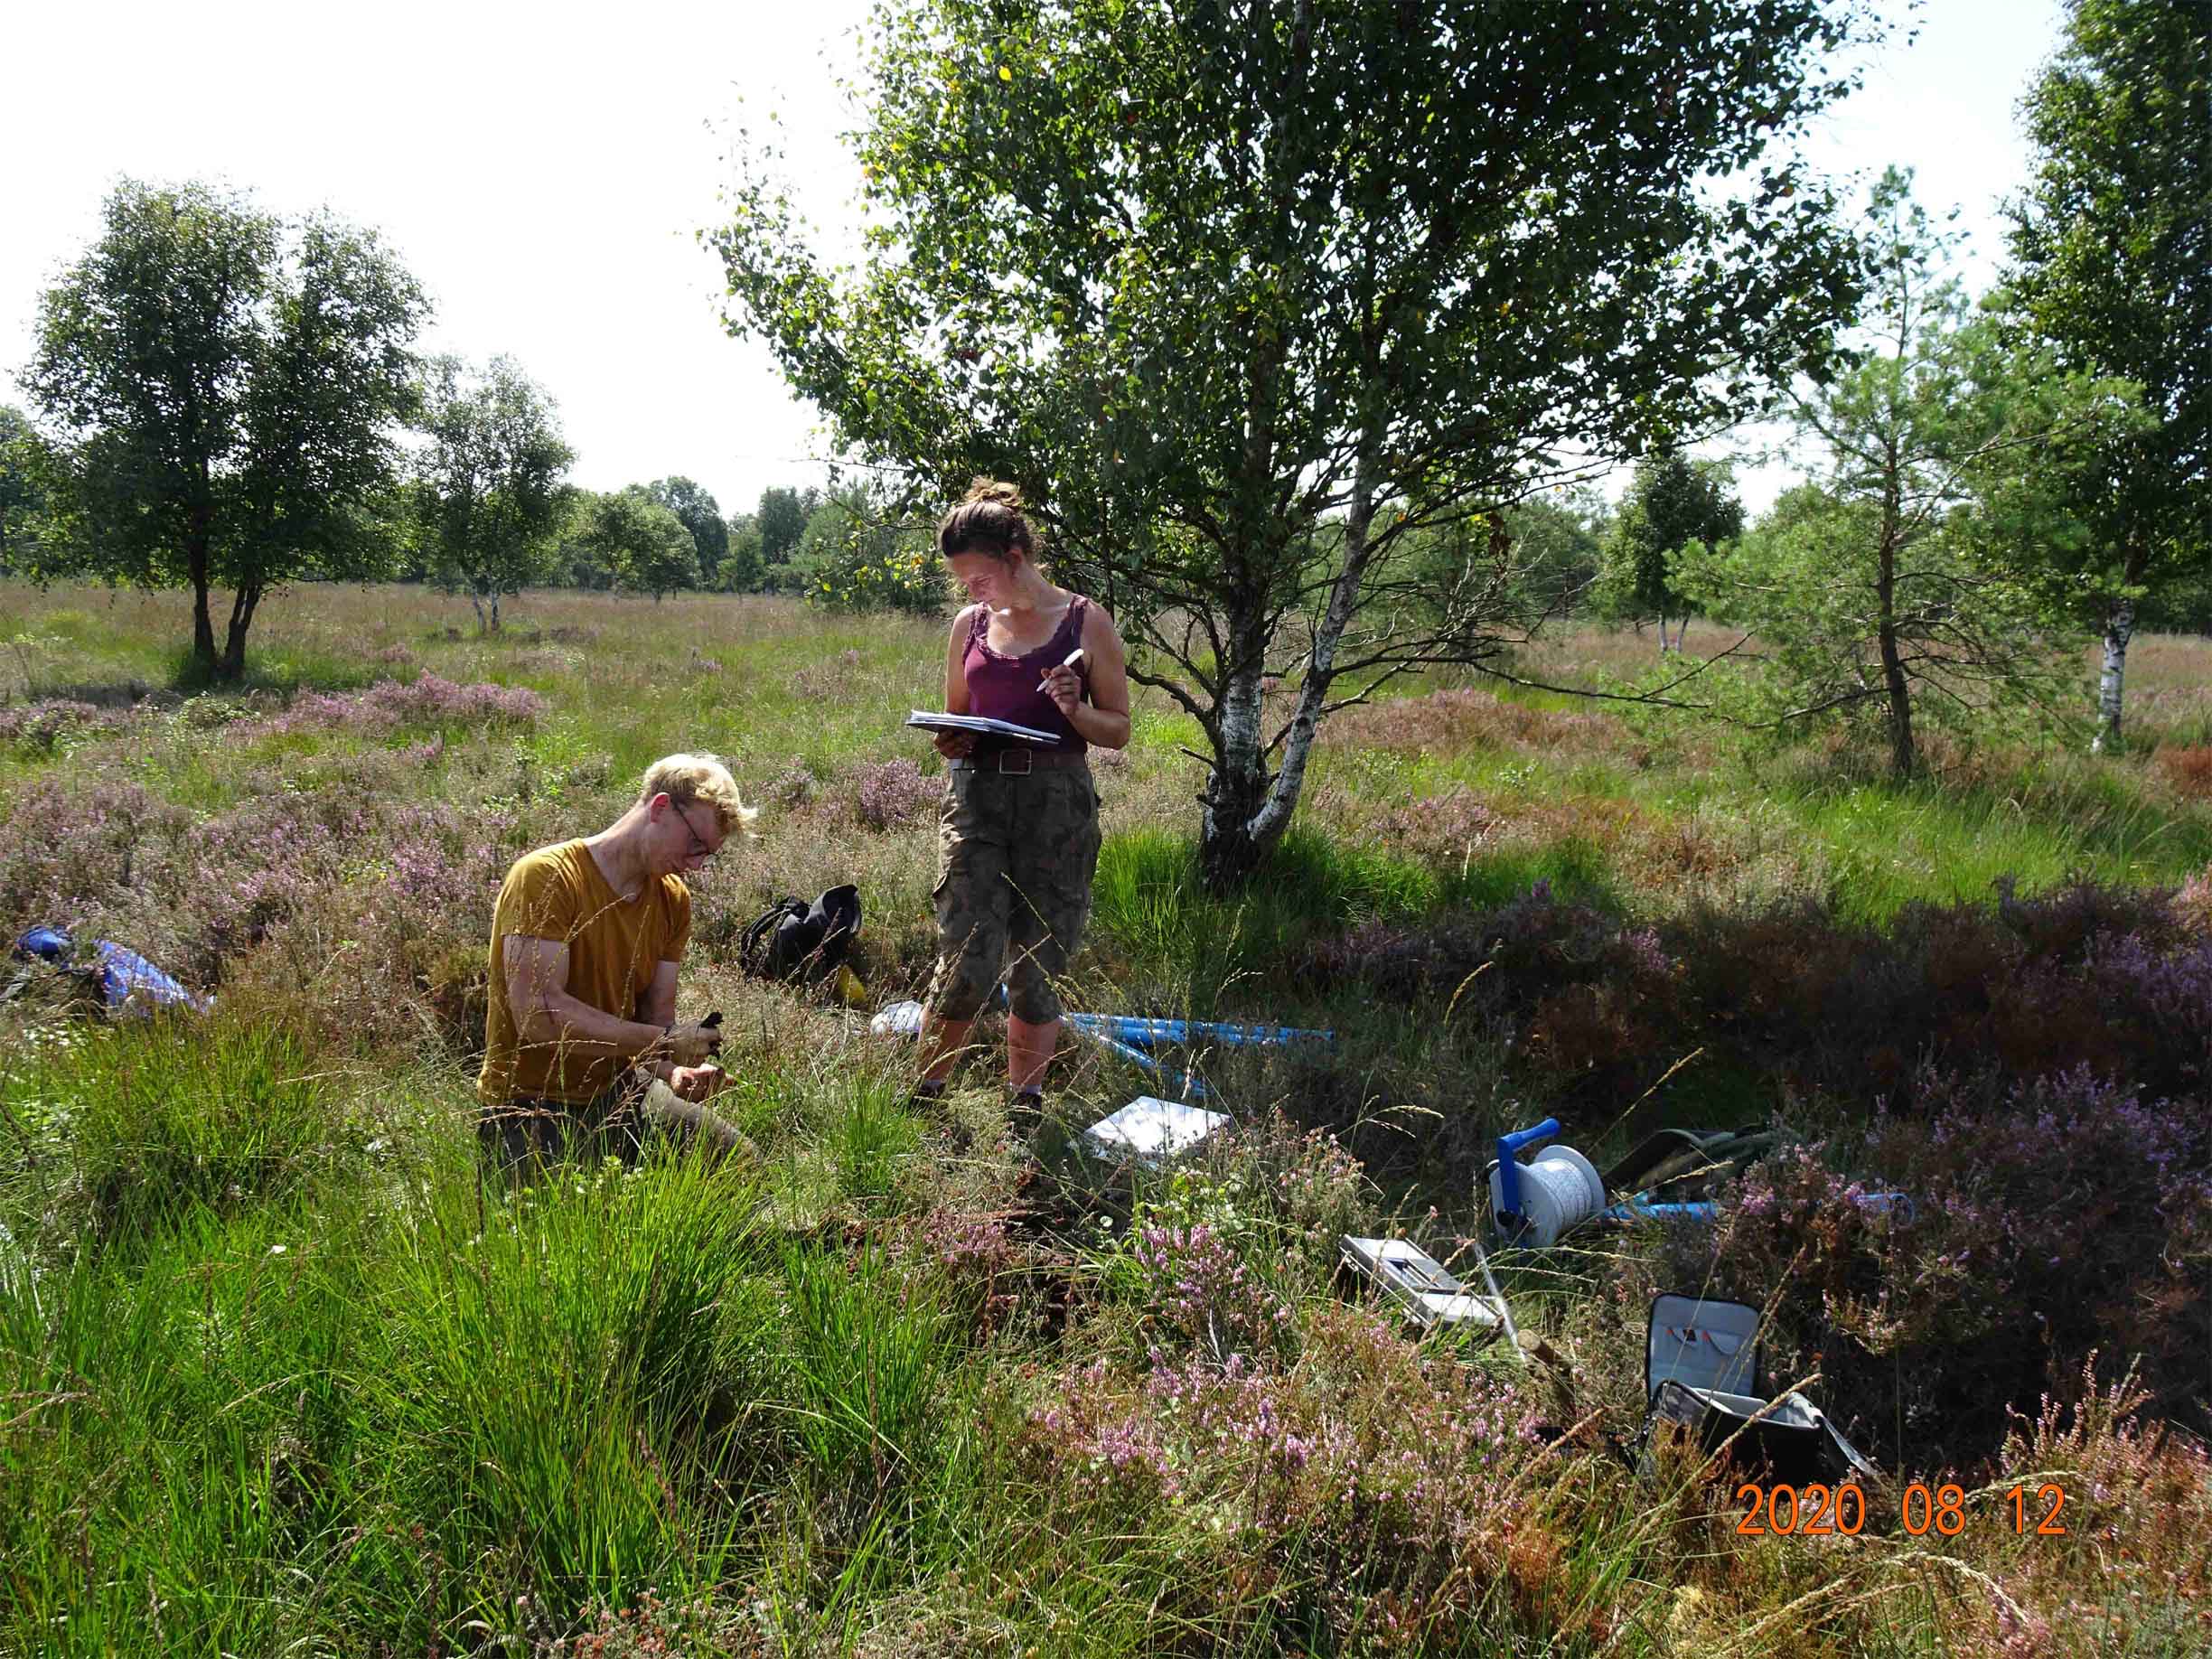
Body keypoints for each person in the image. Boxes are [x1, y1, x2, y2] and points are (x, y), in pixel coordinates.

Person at [915, 479, 1131, 1116]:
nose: (970, 591)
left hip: (1056, 801)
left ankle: (1024, 1103)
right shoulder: (968, 626)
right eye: (962, 581)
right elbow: (956, 720)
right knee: (966, 951)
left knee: (1040, 955)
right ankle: (926, 1094)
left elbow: (1117, 729)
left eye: (979, 577)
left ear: (1015, 554)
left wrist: (1074, 707)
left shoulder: (1086, 621)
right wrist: (950, 741)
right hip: (977, 799)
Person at [477, 753, 756, 1172]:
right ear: (660, 808)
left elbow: (653, 1019)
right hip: (529, 1104)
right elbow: (538, 1017)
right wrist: (665, 1042)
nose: (696, 864)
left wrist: (670, 1072)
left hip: (620, 1091)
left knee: (736, 1162)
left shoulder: (672, 900)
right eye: (696, 845)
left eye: (708, 855)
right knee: (574, 1225)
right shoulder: (547, 878)